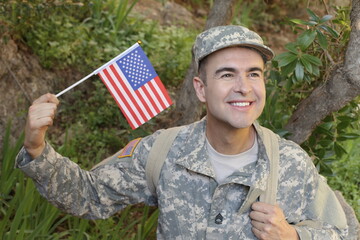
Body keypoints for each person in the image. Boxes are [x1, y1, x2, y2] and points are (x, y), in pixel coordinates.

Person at [16, 25, 348, 239]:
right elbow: (86, 196)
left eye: (254, 74)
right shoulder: (162, 151)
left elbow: (345, 233)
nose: (244, 88)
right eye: (227, 75)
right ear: (201, 89)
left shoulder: (291, 164)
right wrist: (36, 148)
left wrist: (293, 236)